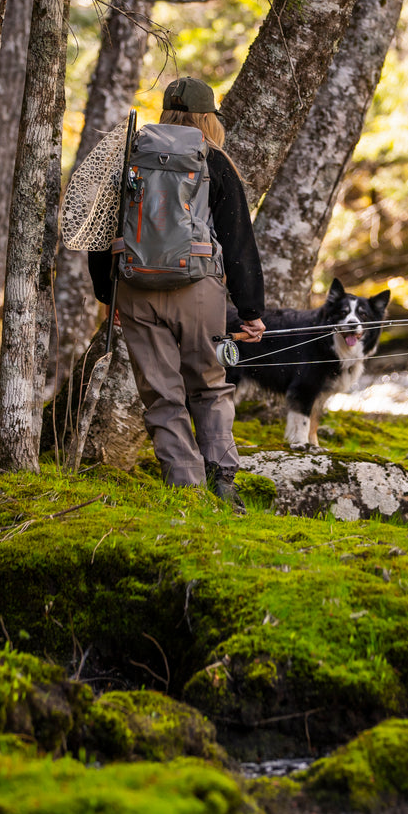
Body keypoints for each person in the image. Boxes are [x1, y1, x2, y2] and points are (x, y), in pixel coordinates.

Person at [87, 76, 265, 506]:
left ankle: (185, 488)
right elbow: (238, 240)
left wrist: (108, 294)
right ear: (208, 118)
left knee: (161, 395)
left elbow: (99, 231)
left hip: (135, 288)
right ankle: (223, 481)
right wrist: (251, 310)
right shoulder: (214, 161)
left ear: (167, 111)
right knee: (209, 385)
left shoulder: (131, 156)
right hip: (198, 290)